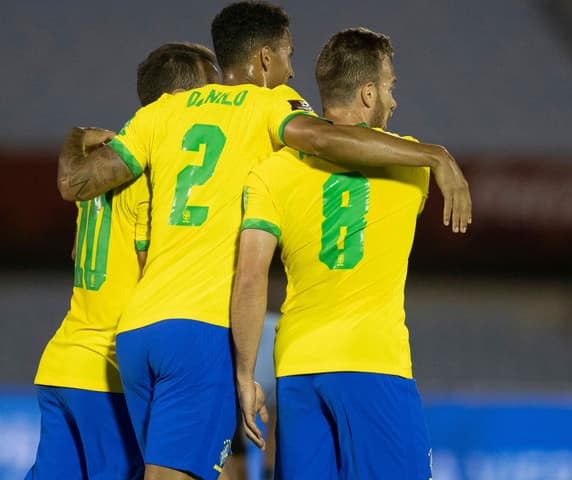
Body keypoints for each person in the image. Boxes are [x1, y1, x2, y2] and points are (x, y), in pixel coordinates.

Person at [56, 2, 471, 479]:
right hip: (221, 332)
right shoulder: (288, 116)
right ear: (266, 59)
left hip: (145, 334)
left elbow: (75, 185)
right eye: (288, 55)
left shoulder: (175, 120)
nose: (292, 69)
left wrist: (73, 139)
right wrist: (435, 155)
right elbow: (331, 139)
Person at [231, 27, 449, 479]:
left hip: (298, 372)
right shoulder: (413, 165)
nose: (393, 100)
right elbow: (363, 152)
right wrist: (437, 156)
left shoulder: (272, 173)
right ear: (368, 92)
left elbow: (250, 277)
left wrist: (246, 374)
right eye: (389, 87)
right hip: (374, 365)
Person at [25, 42, 219, 480]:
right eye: (212, 90)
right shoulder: (150, 173)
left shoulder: (102, 165)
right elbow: (154, 266)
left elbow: (82, 251)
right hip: (106, 372)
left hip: (62, 361)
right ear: (182, 99)